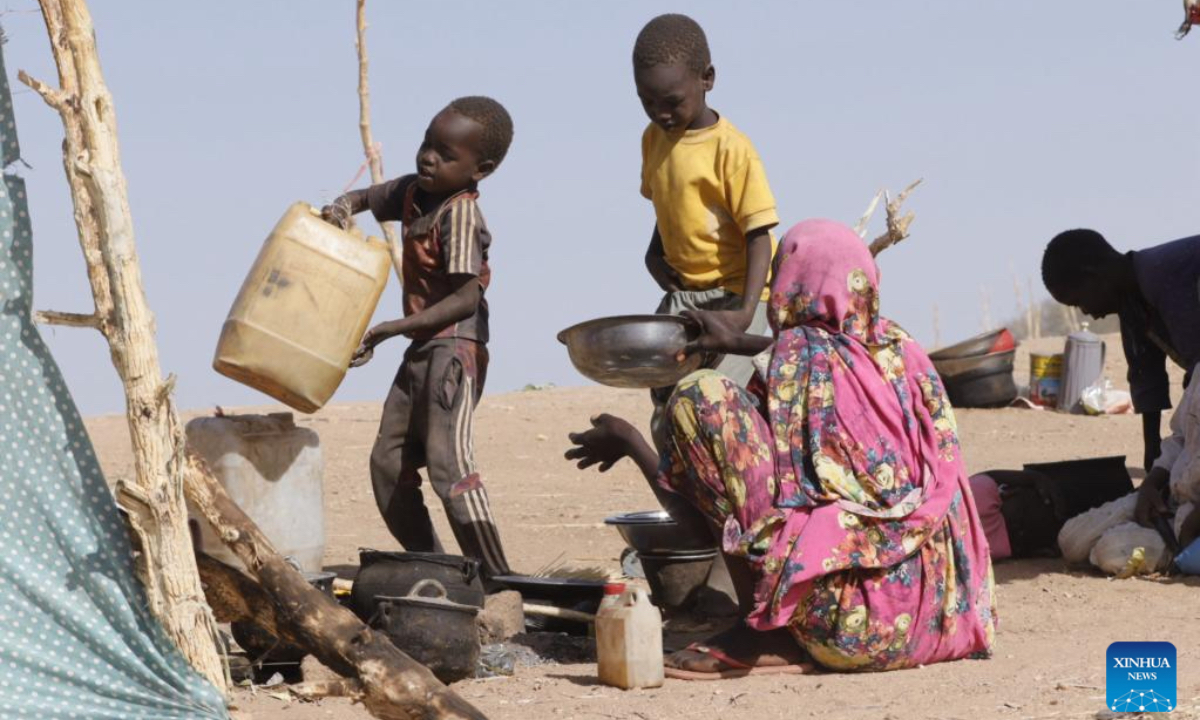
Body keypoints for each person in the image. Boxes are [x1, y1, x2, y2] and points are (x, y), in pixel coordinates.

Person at [567, 220, 996, 678]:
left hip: (848, 632)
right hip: (937, 622)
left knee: (701, 396)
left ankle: (763, 630)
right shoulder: (903, 354)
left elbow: (694, 531)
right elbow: (829, 347)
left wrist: (633, 441)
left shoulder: (793, 370)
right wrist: (737, 341)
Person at [321, 97, 513, 579]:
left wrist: (392, 329)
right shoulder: (413, 192)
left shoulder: (461, 215)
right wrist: (342, 206)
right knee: (388, 465)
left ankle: (499, 580)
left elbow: (465, 298)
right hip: (420, 346)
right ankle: (443, 566)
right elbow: (368, 198)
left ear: (480, 169)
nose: (428, 158)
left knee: (450, 468)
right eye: (427, 143)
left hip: (455, 349)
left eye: (446, 155)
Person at [632, 13, 780, 447]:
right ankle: (684, 503)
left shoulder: (732, 150)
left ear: (707, 79)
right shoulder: (653, 139)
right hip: (685, 300)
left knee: (716, 405)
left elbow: (759, 235)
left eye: (672, 101)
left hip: (736, 297)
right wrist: (653, 254)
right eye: (647, 102)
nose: (661, 113)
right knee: (666, 402)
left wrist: (744, 312)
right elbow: (668, 202)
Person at [1041, 229, 1200, 471]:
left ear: (1094, 276)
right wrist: (1153, 450)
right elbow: (1146, 375)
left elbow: (1197, 369)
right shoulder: (1131, 302)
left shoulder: (1164, 277)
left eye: (1079, 301)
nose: (1086, 312)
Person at [1058, 363, 1200, 575]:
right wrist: (1151, 485)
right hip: (1171, 500)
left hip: (1192, 525)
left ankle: (1174, 558)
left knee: (1111, 551)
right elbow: (1179, 437)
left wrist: (1189, 532)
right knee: (1071, 540)